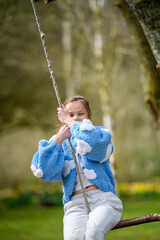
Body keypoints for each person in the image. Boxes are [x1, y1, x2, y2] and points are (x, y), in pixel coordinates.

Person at [31, 95, 123, 240]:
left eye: (80, 114)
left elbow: (94, 146)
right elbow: (45, 171)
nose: (75, 118)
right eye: (70, 115)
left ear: (89, 115)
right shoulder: (59, 145)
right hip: (75, 205)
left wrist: (70, 122)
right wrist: (58, 139)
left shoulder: (100, 134)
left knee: (93, 233)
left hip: (103, 200)